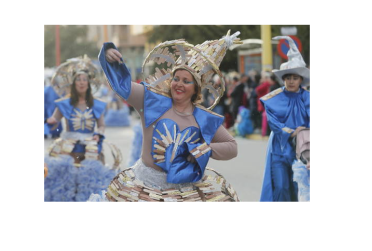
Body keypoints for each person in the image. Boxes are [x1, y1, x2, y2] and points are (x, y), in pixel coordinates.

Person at [93, 31, 242, 202]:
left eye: (186, 81)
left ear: (196, 89)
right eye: (176, 78)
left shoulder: (203, 118)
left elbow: (232, 147)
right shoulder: (151, 100)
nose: (179, 84)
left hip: (185, 191)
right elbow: (123, 85)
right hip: (143, 187)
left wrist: (203, 150)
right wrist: (108, 56)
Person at [44, 56, 120, 201]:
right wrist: (50, 121)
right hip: (69, 148)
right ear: (73, 83)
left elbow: (102, 125)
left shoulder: (97, 104)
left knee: (90, 180)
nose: (81, 82)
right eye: (78, 79)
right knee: (68, 181)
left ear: (89, 83)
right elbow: (54, 122)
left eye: (84, 79)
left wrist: (99, 134)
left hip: (91, 147)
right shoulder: (64, 103)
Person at [260, 36, 310, 202]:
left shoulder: (309, 97)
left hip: (303, 149)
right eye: (288, 78)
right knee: (281, 187)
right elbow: (273, 122)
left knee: (300, 187)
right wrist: (291, 132)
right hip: (280, 148)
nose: (291, 81)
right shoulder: (273, 98)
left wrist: (305, 133)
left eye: (295, 78)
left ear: (301, 79)